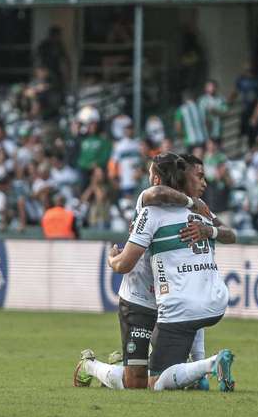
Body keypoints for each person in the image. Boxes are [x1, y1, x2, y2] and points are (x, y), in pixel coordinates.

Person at [74, 154, 236, 391]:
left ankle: (198, 369)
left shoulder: (201, 211)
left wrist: (208, 229)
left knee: (163, 365)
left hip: (168, 297)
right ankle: (89, 366)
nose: (203, 183)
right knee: (136, 382)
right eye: (198, 177)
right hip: (141, 298)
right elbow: (158, 194)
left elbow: (228, 234)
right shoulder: (150, 204)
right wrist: (113, 260)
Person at [198, 79, 228, 144]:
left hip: (218, 132)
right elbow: (201, 117)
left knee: (217, 151)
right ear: (206, 88)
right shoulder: (202, 100)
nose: (211, 88)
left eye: (213, 86)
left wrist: (215, 111)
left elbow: (225, 112)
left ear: (216, 88)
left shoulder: (221, 99)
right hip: (205, 134)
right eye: (209, 86)